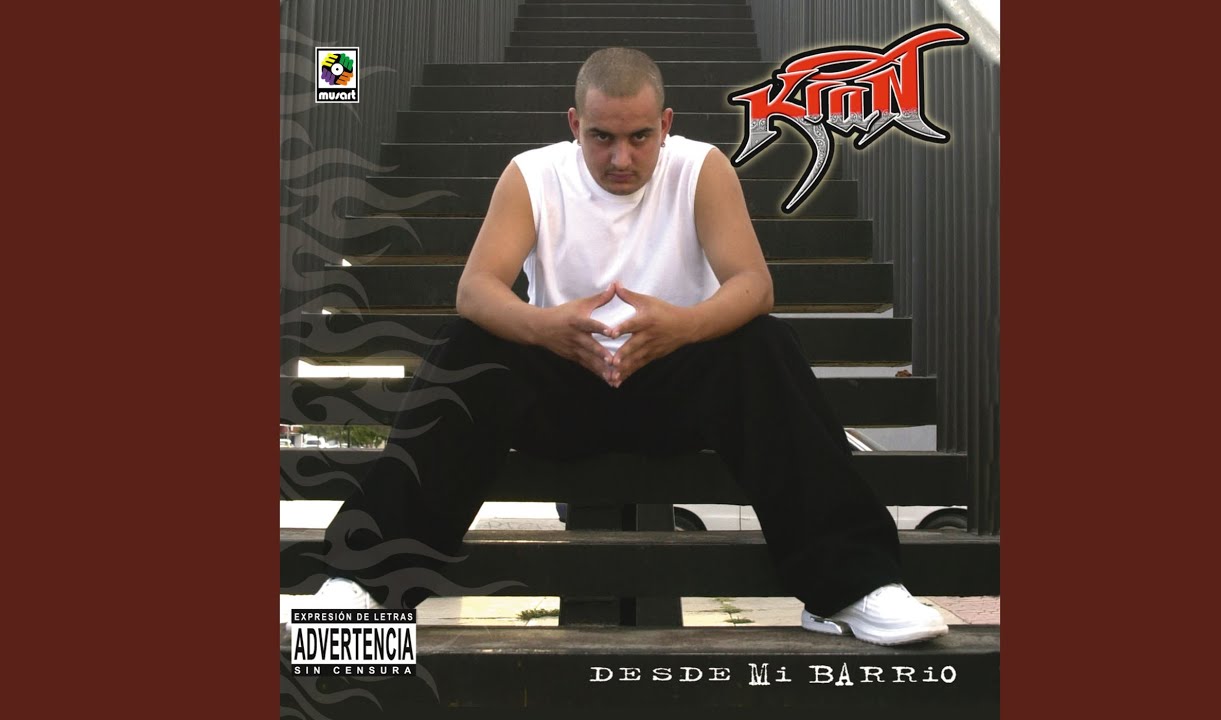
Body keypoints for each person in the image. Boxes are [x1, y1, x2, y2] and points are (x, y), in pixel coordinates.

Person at [314, 48, 947, 646]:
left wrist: (683, 327)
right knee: (468, 345)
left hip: (673, 394)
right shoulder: (533, 174)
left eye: (640, 136)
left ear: (666, 124)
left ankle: (850, 586)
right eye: (602, 137)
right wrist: (546, 327)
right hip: (564, 393)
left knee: (765, 343)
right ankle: (370, 581)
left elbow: (754, 285)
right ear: (575, 124)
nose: (622, 157)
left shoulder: (701, 167)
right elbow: (475, 290)